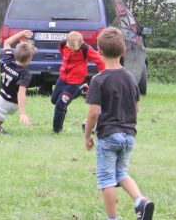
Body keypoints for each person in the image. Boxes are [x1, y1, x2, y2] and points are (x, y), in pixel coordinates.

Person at [84, 27, 153, 220]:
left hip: (108, 136)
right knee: (121, 172)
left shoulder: (98, 80)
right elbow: (137, 107)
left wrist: (87, 135)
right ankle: (140, 201)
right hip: (129, 135)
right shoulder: (130, 78)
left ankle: (112, 218)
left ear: (99, 50)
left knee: (107, 179)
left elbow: (93, 112)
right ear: (124, 51)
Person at [51, 31, 106, 133]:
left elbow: (99, 61)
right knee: (54, 100)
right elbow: (62, 52)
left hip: (75, 81)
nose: (72, 50)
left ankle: (57, 130)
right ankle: (81, 90)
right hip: (62, 78)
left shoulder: (86, 49)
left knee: (60, 104)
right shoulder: (63, 44)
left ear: (80, 44)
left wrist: (103, 74)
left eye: (75, 49)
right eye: (70, 48)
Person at [0, 30, 36, 134]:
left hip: (2, 100)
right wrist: (22, 113)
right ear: (29, 59)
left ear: (16, 53)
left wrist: (21, 34)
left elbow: (7, 42)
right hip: (14, 105)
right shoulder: (26, 74)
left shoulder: (7, 61)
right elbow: (21, 92)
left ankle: (1, 133)